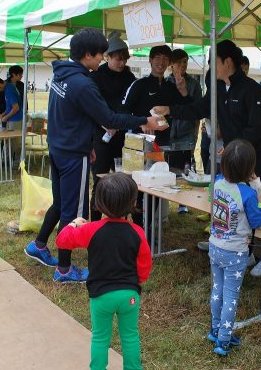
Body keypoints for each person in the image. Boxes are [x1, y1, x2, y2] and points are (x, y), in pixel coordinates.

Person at [23, 28, 166, 283]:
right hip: (71, 154)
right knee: (73, 212)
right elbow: (108, 118)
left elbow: (70, 115)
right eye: (101, 54)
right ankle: (65, 269)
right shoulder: (83, 84)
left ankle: (40, 244)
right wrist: (146, 120)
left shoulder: (61, 75)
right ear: (88, 54)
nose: (102, 59)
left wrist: (87, 142)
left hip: (58, 147)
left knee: (60, 202)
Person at [153, 40, 261, 274]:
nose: (211, 66)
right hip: (234, 155)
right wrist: (171, 109)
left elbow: (257, 128)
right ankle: (247, 251)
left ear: (228, 62)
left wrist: (233, 146)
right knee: (238, 202)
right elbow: (200, 108)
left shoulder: (253, 90)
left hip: (258, 156)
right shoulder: (218, 87)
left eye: (213, 61)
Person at [56, 172, 152, 370]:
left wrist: (74, 223)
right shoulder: (138, 232)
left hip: (101, 296)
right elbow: (145, 264)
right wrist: (137, 281)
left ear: (98, 204)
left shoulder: (90, 229)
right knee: (130, 335)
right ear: (133, 203)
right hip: (129, 295)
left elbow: (62, 240)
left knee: (100, 338)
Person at [206, 139, 261, 356]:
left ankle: (215, 329)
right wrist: (260, 200)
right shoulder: (248, 194)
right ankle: (223, 339)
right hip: (235, 252)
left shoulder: (218, 182)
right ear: (250, 169)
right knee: (231, 295)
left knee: (217, 290)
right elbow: (257, 221)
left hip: (215, 246)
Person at [122, 44, 191, 226]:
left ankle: (148, 229)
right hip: (140, 145)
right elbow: (123, 112)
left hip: (162, 145)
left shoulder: (171, 87)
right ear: (150, 60)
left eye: (165, 59)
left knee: (157, 188)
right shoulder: (139, 85)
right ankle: (136, 228)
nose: (161, 62)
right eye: (157, 58)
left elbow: (187, 109)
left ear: (169, 63)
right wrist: (141, 122)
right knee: (137, 189)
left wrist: (183, 90)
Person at [89, 32, 136, 221]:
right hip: (100, 135)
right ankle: (95, 222)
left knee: (123, 182)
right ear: (107, 57)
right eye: (118, 59)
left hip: (122, 136)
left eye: (124, 59)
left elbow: (132, 104)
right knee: (99, 181)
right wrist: (104, 122)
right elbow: (91, 105)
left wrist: (121, 121)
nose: (121, 63)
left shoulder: (130, 77)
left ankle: (120, 220)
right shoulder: (96, 77)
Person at [166, 48, 202, 214]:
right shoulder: (165, 82)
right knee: (167, 166)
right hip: (167, 132)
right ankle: (165, 200)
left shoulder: (194, 84)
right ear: (171, 64)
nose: (183, 65)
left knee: (184, 168)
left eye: (185, 61)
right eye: (179, 62)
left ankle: (183, 202)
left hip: (186, 132)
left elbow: (197, 111)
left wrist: (194, 137)